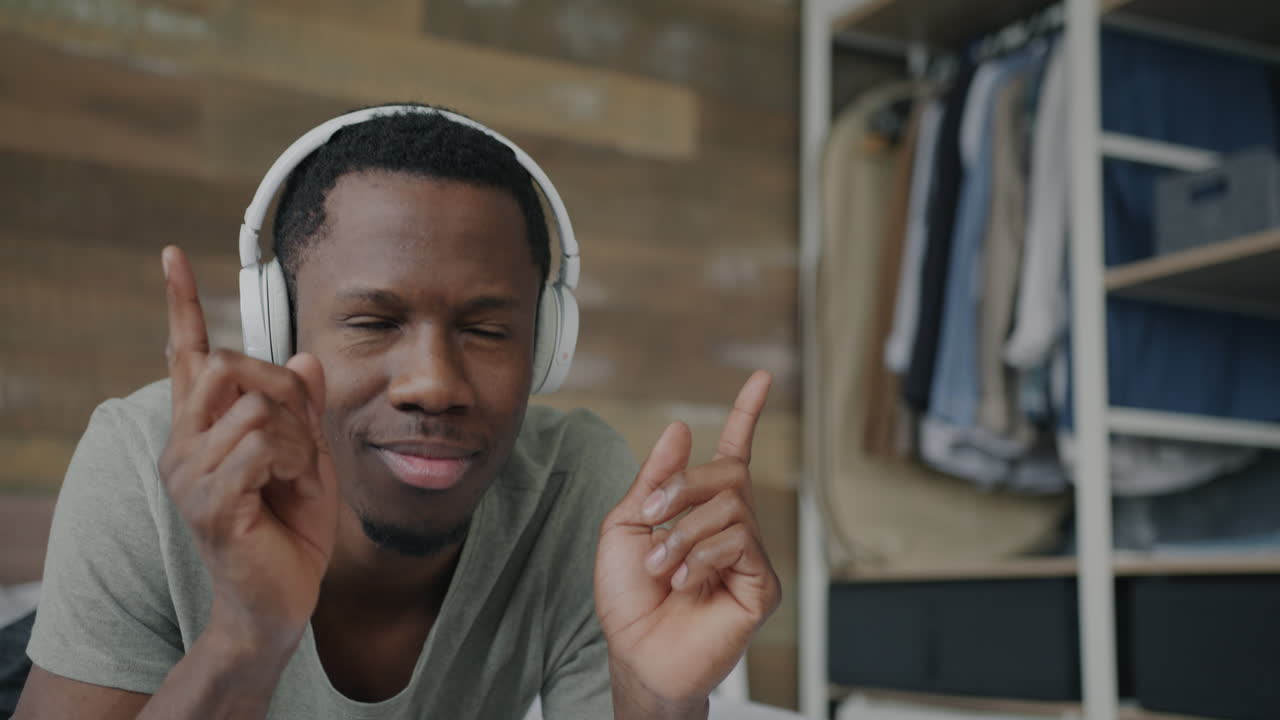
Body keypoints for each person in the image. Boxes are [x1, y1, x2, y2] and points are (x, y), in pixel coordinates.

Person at [13, 105, 781, 719]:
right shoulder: (143, 462)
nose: (433, 385)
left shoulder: (583, 492)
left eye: (486, 330)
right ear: (277, 331)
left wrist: (662, 697)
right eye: (373, 323)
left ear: (546, 348)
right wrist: (248, 635)